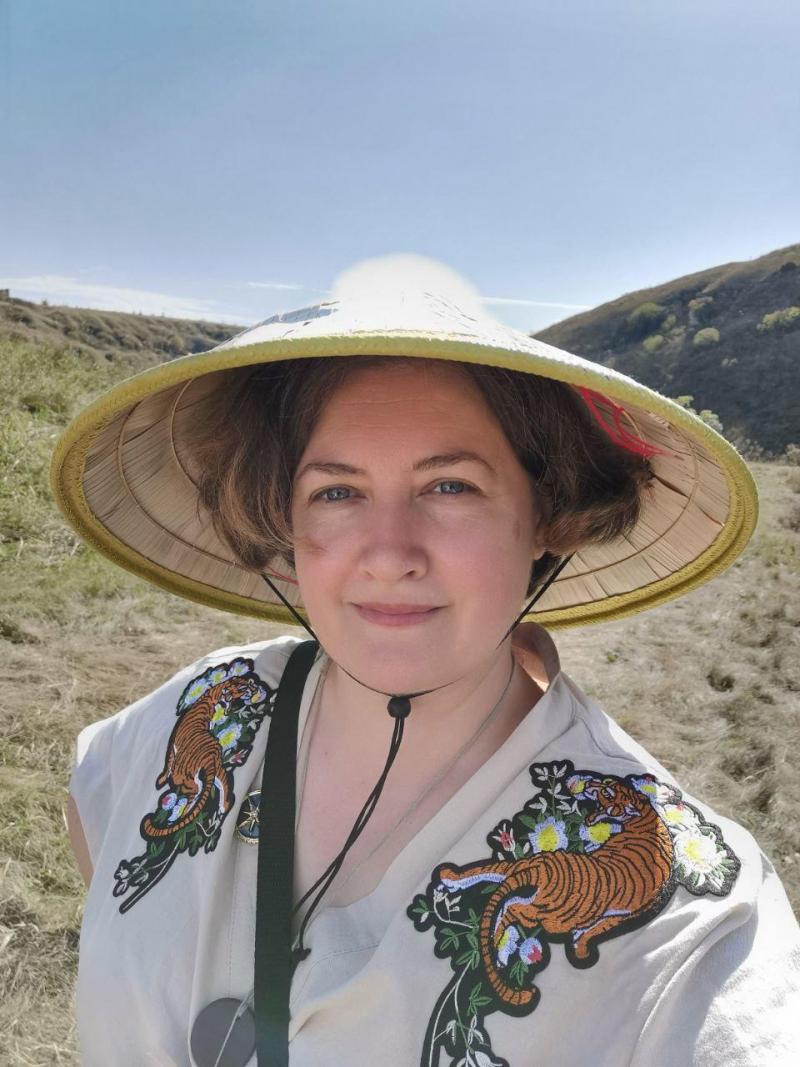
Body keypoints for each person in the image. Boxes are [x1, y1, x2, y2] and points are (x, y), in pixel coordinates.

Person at [54, 258, 799, 1066]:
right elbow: (95, 806)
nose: (389, 553)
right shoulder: (207, 705)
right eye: (336, 492)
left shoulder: (684, 919)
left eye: (450, 486)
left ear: (546, 515)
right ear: (284, 518)